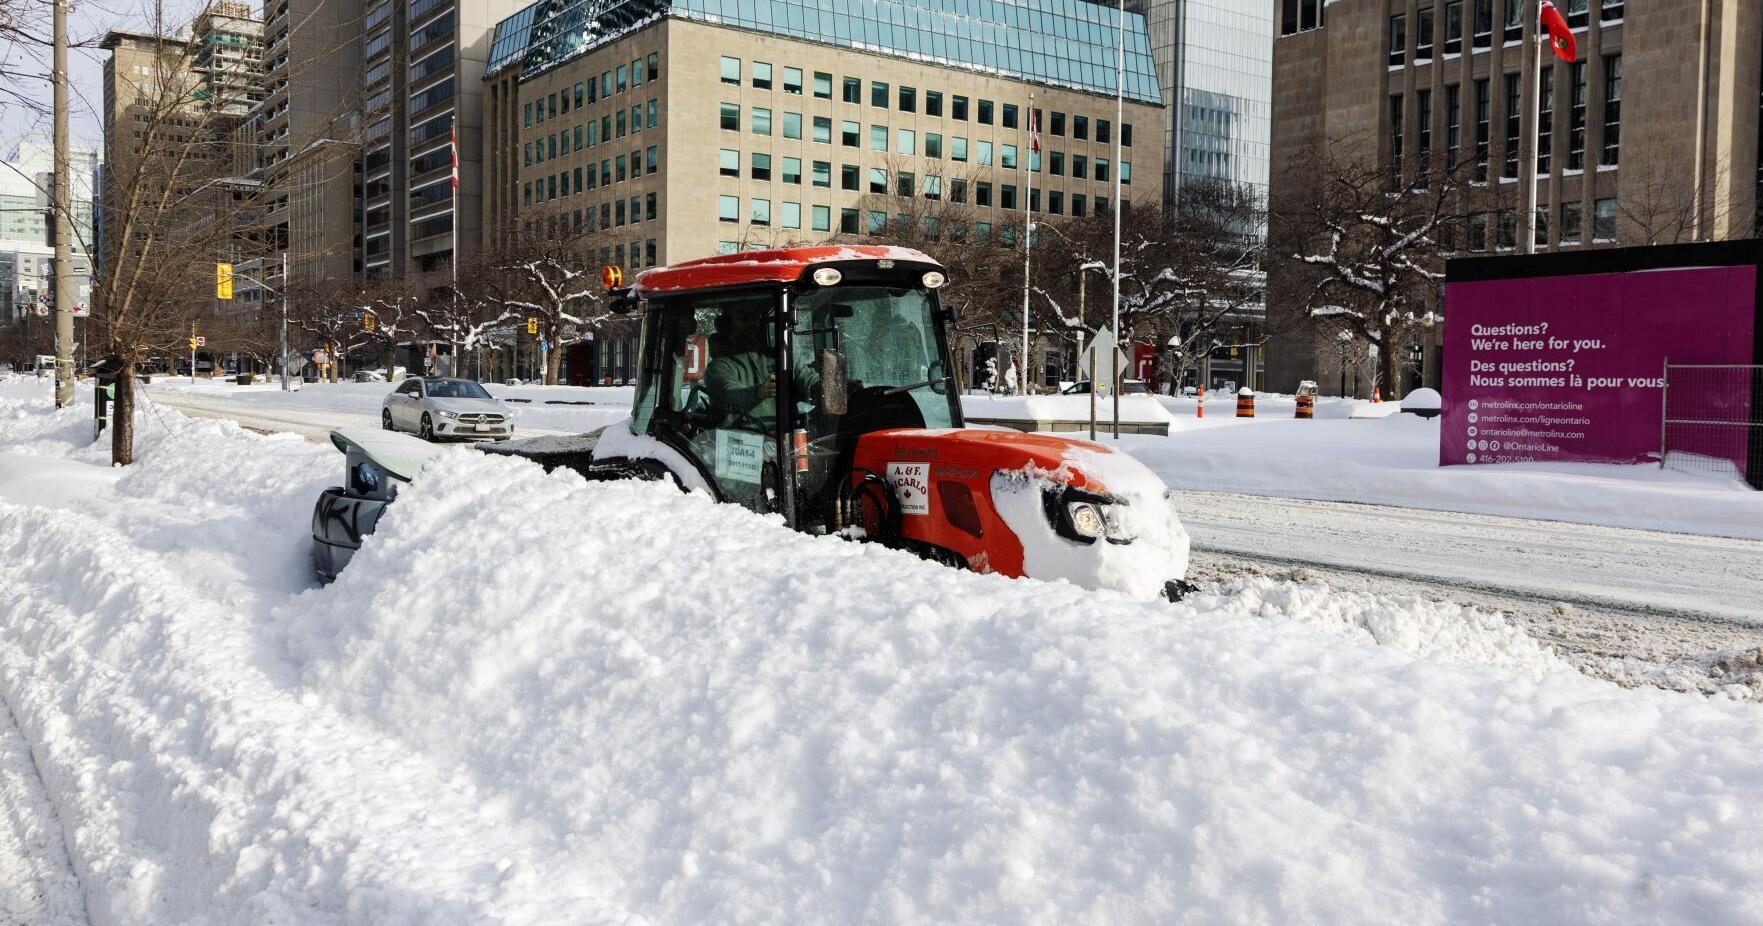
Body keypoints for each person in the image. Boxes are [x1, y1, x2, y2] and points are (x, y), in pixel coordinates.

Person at [704, 310, 818, 430]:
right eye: (743, 318)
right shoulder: (718, 366)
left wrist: (825, 386)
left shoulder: (779, 357)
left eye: (754, 317)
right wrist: (758, 392)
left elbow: (808, 379)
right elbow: (729, 395)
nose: (751, 323)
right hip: (738, 438)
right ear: (727, 325)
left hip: (783, 437)